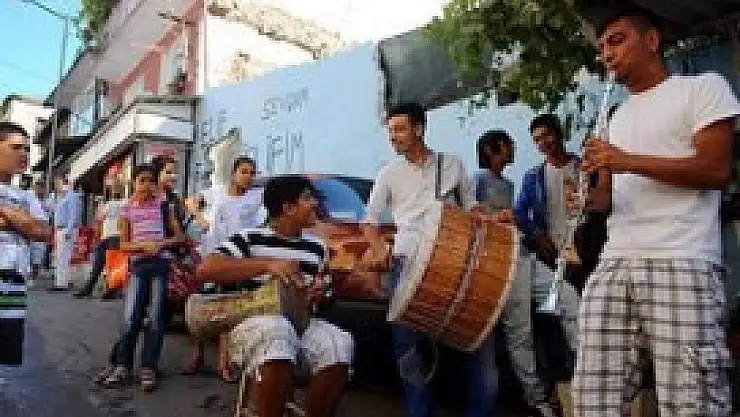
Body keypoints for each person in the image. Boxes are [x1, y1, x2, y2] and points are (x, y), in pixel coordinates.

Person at [572, 6, 740, 417]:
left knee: (691, 400)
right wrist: (588, 199)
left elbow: (716, 170)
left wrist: (625, 160)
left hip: (681, 259)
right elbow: (608, 198)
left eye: (617, 41)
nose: (607, 54)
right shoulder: (615, 116)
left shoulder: (702, 89)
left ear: (651, 40)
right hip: (616, 260)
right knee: (593, 394)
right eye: (601, 48)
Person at [362, 103, 497, 417]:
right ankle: (419, 411)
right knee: (407, 346)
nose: (393, 137)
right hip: (407, 261)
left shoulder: (452, 165)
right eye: (390, 131)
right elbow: (368, 222)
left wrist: (490, 218)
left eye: (400, 129)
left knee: (476, 337)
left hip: (455, 260)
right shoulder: (388, 173)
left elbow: (472, 208)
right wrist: (378, 247)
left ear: (419, 129)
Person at [196, 175, 353, 417]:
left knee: (340, 343)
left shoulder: (317, 247)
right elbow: (206, 269)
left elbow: (325, 296)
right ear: (288, 208)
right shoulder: (249, 238)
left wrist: (321, 295)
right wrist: (267, 265)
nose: (315, 203)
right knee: (277, 331)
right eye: (307, 198)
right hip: (253, 323)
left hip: (300, 322)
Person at [512, 114, 583, 416]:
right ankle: (560, 387)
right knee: (551, 326)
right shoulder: (533, 177)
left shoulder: (583, 168)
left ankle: (586, 377)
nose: (543, 143)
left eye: (546, 136)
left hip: (583, 254)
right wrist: (537, 236)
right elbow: (519, 214)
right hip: (550, 257)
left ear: (559, 133)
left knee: (583, 314)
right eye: (537, 140)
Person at [94, 164, 185, 391]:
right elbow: (123, 244)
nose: (146, 185)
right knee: (131, 317)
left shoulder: (164, 206)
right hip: (138, 267)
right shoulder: (127, 209)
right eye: (141, 180)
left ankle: (148, 367)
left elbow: (179, 237)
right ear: (133, 183)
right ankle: (122, 365)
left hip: (160, 266)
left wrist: (160, 244)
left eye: (150, 181)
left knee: (156, 318)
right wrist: (143, 246)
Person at [183, 156, 266, 379]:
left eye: (252, 173)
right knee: (203, 305)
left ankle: (223, 363)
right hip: (211, 256)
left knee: (226, 309)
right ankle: (197, 357)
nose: (248, 177)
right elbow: (189, 201)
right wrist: (200, 217)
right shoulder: (217, 192)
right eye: (244, 172)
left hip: (235, 261)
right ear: (233, 173)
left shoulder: (256, 197)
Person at [0, 122, 52, 364]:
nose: (24, 154)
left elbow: (43, 232)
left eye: (27, 149)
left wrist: (9, 215)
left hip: (12, 287)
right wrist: (23, 221)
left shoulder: (26, 195)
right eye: (16, 147)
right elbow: (32, 228)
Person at [74, 181, 125, 298]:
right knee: (98, 264)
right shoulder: (108, 204)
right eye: (113, 188)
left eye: (117, 188)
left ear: (121, 190)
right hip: (105, 236)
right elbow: (99, 219)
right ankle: (89, 288)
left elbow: (99, 217)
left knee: (113, 266)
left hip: (116, 236)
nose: (115, 190)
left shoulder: (124, 203)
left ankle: (112, 290)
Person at [50, 175, 82, 292]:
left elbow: (74, 215)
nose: (56, 186)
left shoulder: (72, 196)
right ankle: (62, 280)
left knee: (63, 256)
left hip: (66, 229)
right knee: (59, 256)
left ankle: (61, 283)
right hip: (59, 229)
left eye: (58, 183)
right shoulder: (60, 197)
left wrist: (68, 230)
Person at [28, 179, 51, 286]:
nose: (40, 190)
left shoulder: (47, 201)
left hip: (41, 230)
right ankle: (28, 276)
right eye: (37, 188)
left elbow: (49, 215)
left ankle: (33, 277)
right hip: (30, 228)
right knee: (29, 255)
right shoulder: (28, 197)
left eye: (42, 188)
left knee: (38, 256)